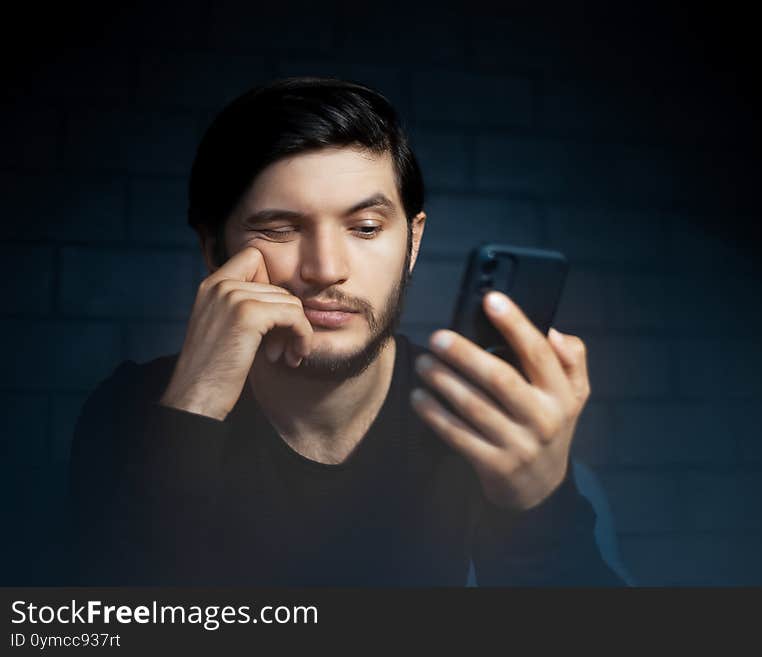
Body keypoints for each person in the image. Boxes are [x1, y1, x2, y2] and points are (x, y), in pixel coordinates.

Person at [66, 76, 623, 587]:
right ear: (214, 250)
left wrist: (539, 503)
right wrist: (196, 404)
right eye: (281, 229)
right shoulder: (134, 411)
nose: (326, 266)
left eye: (365, 227)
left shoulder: (480, 428)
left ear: (413, 242)